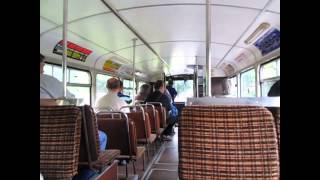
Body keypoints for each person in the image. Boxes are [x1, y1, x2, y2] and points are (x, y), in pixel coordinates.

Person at [40, 53, 107, 150]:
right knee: (102, 136)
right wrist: (57, 103)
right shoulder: (46, 80)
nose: (43, 69)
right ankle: (92, 164)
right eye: (43, 65)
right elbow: (73, 101)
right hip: (57, 134)